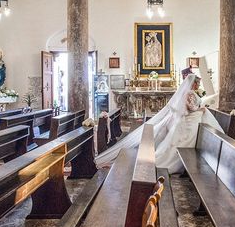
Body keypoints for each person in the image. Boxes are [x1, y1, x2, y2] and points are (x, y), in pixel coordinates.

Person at [95, 73, 223, 172]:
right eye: (197, 83)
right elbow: (190, 108)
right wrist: (201, 108)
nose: (198, 85)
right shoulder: (189, 93)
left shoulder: (188, 92)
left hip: (189, 120)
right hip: (189, 121)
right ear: (193, 83)